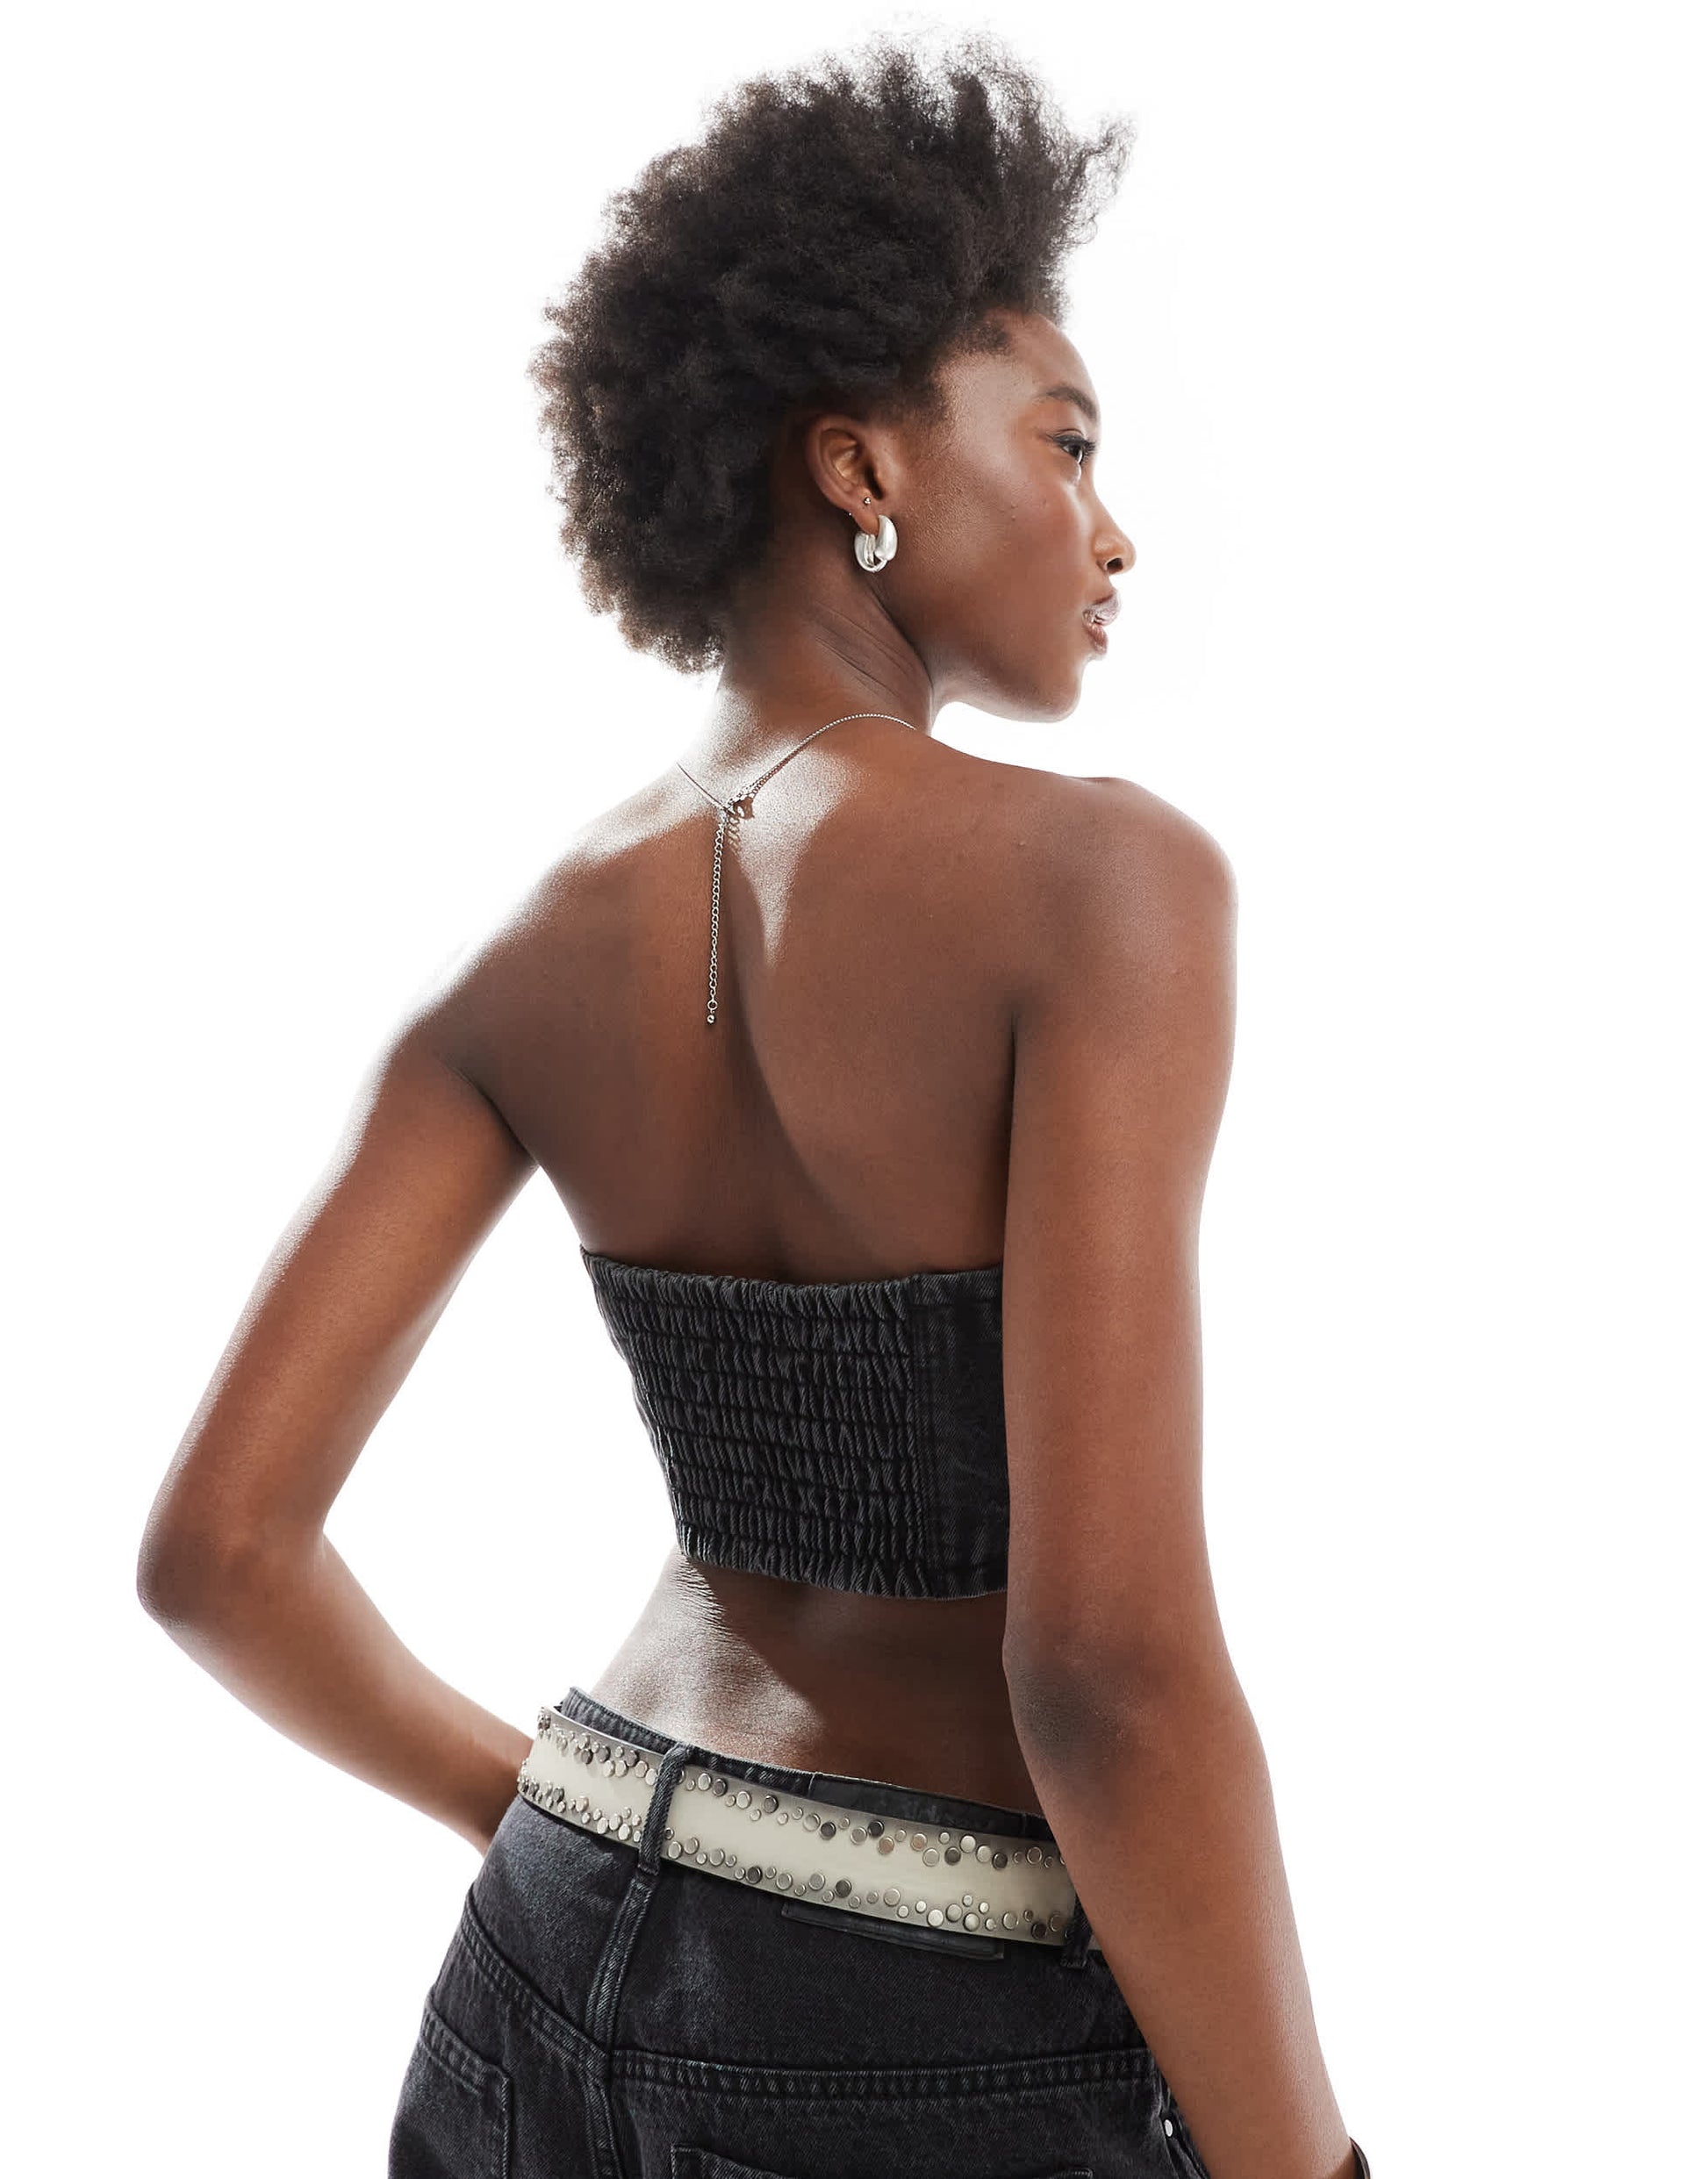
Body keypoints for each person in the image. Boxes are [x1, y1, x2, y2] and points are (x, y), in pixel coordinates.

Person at [137, 32, 1371, 2179]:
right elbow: (1102, 1668)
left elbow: (218, 1556)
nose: (1113, 529)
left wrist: (553, 1827)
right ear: (856, 466)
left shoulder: (523, 964)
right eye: (1066, 442)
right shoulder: (1101, 885)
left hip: (532, 1974)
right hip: (914, 2026)